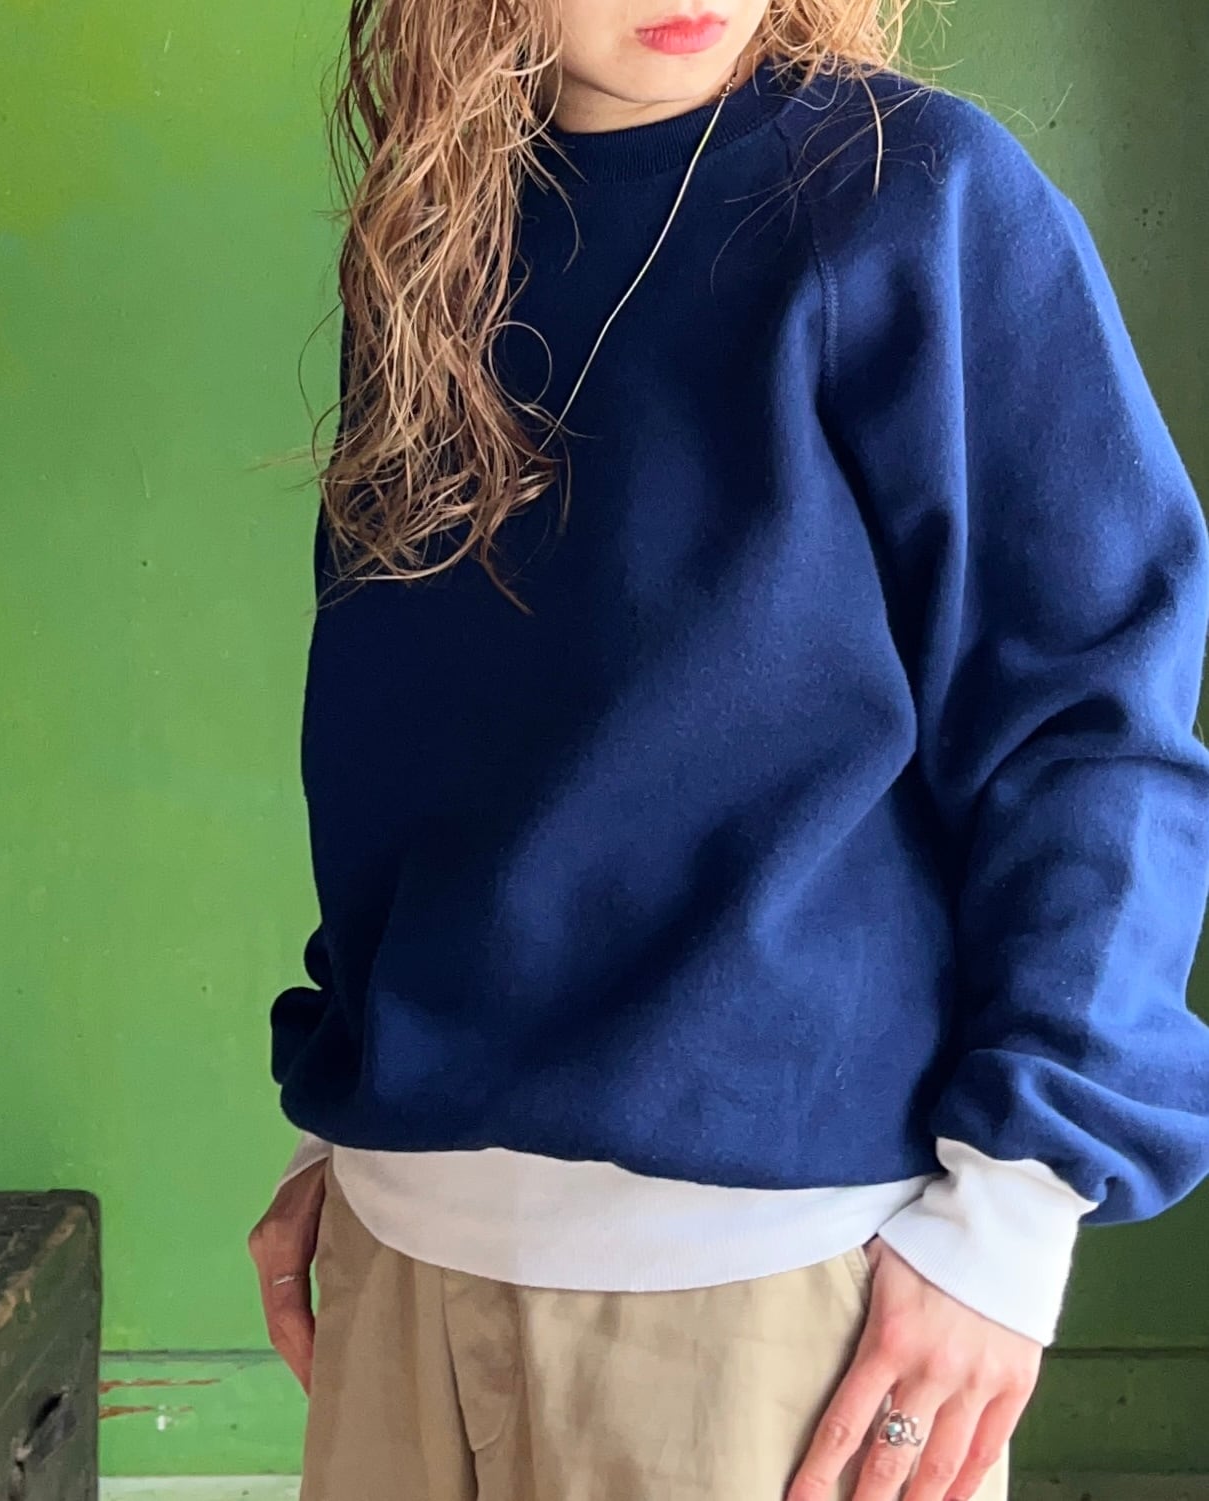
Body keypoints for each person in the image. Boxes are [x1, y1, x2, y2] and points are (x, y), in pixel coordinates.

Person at [247, 1, 1209, 1497]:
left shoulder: (907, 190)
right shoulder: (437, 230)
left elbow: (1089, 713)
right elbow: (405, 733)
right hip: (401, 1235)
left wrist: (1016, 1211)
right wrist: (348, 1097)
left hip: (777, 1279)